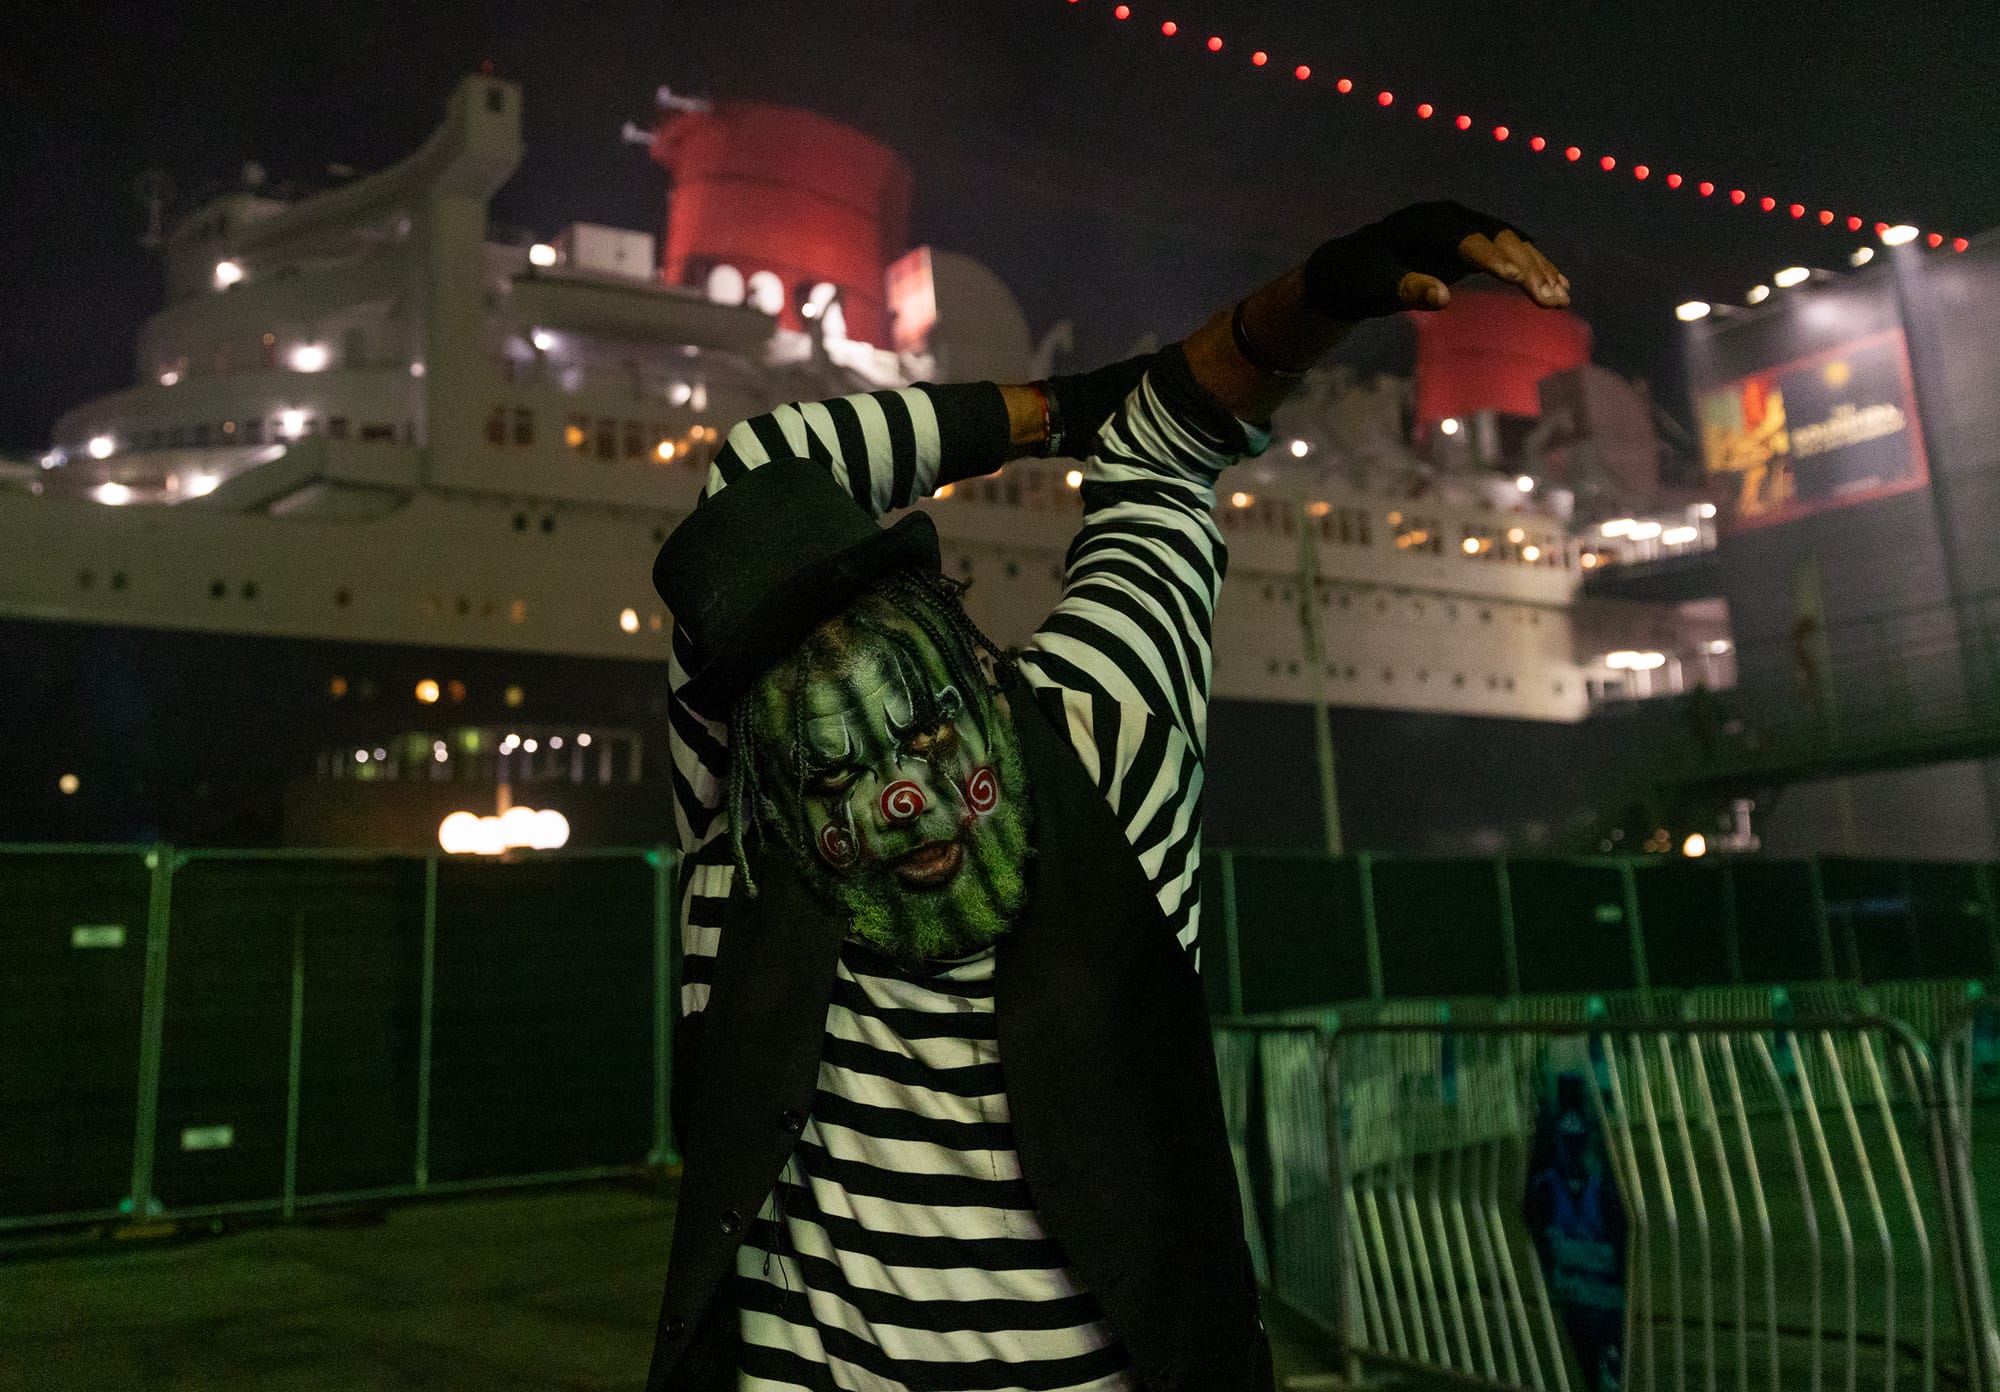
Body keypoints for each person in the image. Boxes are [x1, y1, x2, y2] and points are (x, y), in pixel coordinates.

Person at [646, 202, 1571, 1392]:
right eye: (839, 774)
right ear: (783, 788)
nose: (906, 802)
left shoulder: (807, 796)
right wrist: (1122, 398)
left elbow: (764, 470)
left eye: (922, 731)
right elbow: (762, 482)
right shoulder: (1053, 742)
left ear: (978, 663)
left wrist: (1285, 315)